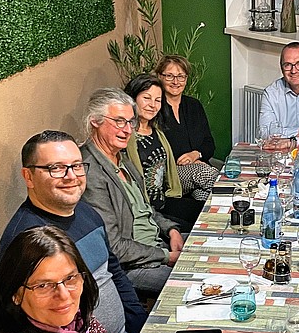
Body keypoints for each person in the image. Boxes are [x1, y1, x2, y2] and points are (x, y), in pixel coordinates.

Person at [0, 130, 146, 333]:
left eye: (77, 165)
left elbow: (114, 272)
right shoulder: (27, 240)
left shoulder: (87, 212)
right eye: (56, 168)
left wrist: (139, 329)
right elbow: (30, 328)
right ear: (28, 177)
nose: (71, 176)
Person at [80, 87, 185, 296]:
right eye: (119, 121)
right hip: (135, 267)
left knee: (214, 244)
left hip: (158, 245)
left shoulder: (121, 156)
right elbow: (114, 246)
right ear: (95, 121)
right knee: (196, 282)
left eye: (130, 122)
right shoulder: (89, 171)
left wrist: (172, 230)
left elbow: (146, 208)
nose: (128, 129)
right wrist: (167, 256)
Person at [124, 74, 204, 231]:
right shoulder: (125, 136)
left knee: (211, 215)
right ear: (133, 99)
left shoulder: (157, 132)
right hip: (146, 210)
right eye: (146, 98)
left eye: (157, 100)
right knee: (199, 227)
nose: (152, 105)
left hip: (164, 200)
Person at [154, 54, 220, 197]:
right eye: (169, 76)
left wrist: (195, 154)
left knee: (204, 197)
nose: (176, 81)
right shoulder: (155, 109)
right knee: (213, 178)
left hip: (199, 171)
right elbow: (159, 155)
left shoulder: (194, 105)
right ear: (159, 77)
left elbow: (209, 144)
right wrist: (193, 165)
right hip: (172, 174)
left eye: (181, 76)